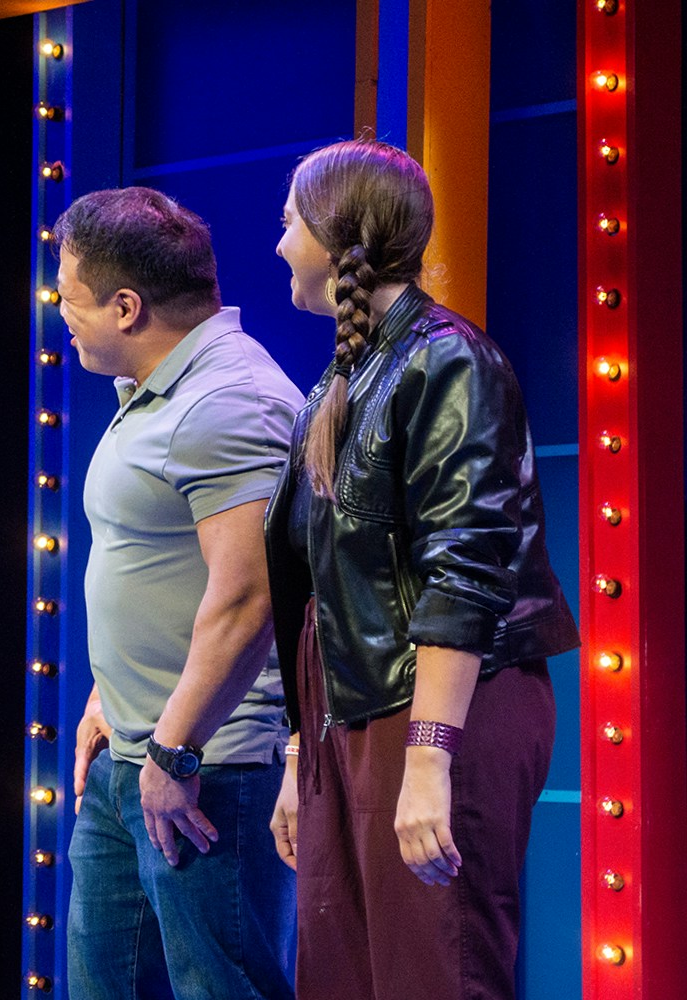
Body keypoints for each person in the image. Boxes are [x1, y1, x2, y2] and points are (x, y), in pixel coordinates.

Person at [264, 139, 579, 999]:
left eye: (289, 221)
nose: (279, 242)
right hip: (352, 717)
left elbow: (465, 570)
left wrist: (431, 756)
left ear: (336, 234)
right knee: (345, 975)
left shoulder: (448, 360)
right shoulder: (338, 383)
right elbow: (319, 591)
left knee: (437, 972)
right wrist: (302, 758)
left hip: (440, 710)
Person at [56, 187, 300, 1000]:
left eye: (71, 299)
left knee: (219, 989)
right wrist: (109, 693)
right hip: (135, 752)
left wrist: (176, 746)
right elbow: (160, 566)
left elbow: (250, 599)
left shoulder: (225, 402)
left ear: (126, 306)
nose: (64, 316)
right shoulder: (155, 390)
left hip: (205, 771)